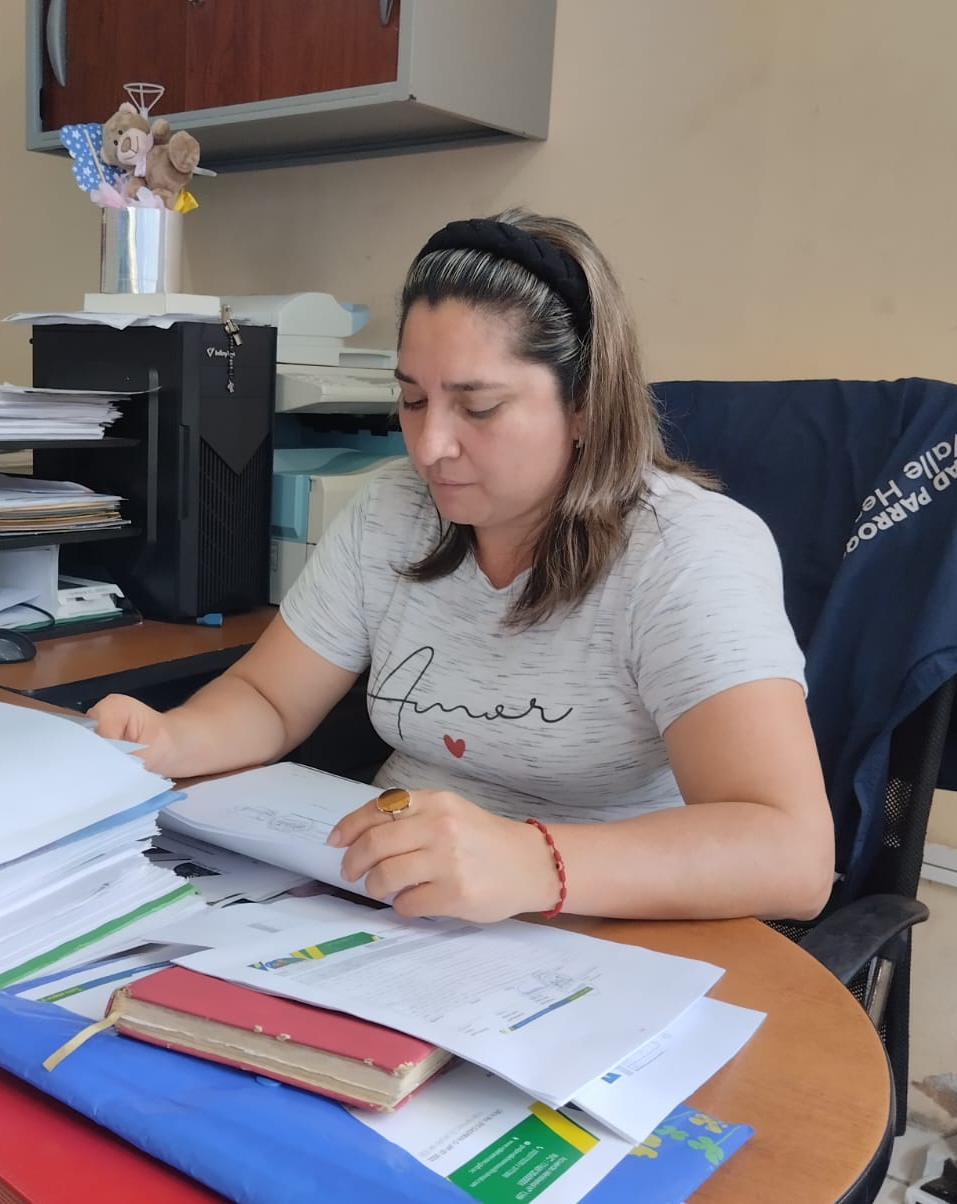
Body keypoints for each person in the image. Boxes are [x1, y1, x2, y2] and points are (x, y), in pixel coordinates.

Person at [92, 209, 834, 925]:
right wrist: (171, 740)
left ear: (584, 404)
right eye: (413, 400)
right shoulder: (392, 510)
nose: (428, 447)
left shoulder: (685, 551)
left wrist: (532, 861)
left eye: (477, 408)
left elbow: (791, 854)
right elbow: (270, 699)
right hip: (390, 907)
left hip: (600, 925)